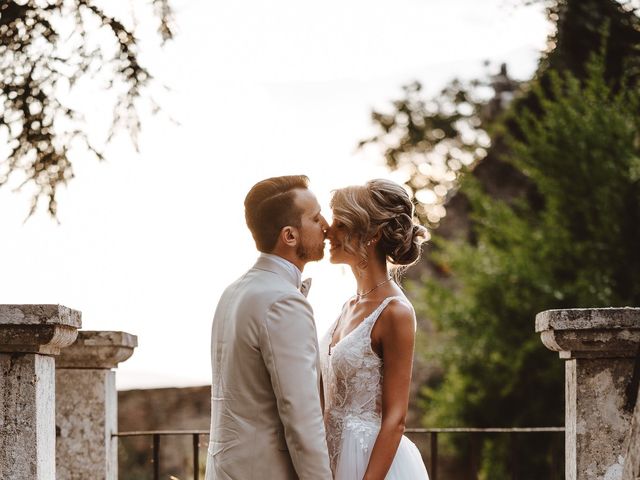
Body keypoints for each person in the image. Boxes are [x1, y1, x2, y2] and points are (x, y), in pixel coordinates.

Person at [204, 175, 333, 480]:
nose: (326, 225)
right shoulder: (283, 302)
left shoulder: (233, 291)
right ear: (290, 235)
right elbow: (301, 418)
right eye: (315, 218)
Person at [320, 178, 430, 480]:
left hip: (368, 462)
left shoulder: (395, 311)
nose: (328, 232)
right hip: (330, 457)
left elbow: (395, 419)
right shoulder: (348, 306)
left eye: (341, 224)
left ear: (372, 234)